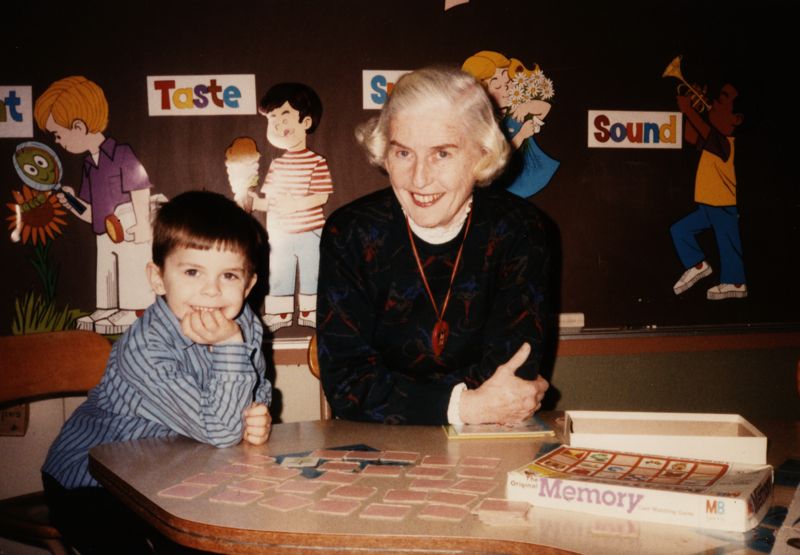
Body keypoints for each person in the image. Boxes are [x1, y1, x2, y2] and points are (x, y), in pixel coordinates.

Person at [317, 66, 550, 426]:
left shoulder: (520, 230)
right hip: (379, 440)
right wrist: (464, 407)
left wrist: (405, 398)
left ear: (482, 154)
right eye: (403, 154)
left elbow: (512, 373)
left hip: (486, 436)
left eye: (442, 154)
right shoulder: (350, 233)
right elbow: (348, 384)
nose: (419, 179)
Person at [41, 190, 272, 554]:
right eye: (193, 271)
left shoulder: (245, 324)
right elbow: (221, 429)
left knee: (222, 534)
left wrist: (258, 413)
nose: (211, 291)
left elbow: (257, 386)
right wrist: (230, 348)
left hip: (169, 472)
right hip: (91, 477)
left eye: (228, 275)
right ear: (159, 278)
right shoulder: (145, 347)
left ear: (248, 285)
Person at [34, 76, 161, 335]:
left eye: (58, 134)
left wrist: (142, 225)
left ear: (79, 127)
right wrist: (72, 204)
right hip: (104, 227)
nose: (57, 141)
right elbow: (90, 210)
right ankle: (106, 308)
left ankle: (132, 308)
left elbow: (139, 189)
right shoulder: (89, 165)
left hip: (128, 223)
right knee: (107, 267)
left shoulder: (121, 153)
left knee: (129, 265)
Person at [249, 83, 334, 332]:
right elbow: (272, 203)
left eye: (284, 116)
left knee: (311, 273)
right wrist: (255, 203)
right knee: (279, 274)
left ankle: (310, 312)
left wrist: (295, 204)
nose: (277, 125)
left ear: (306, 122)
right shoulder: (277, 165)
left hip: (310, 232)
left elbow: (321, 196)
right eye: (272, 118)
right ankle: (280, 314)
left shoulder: (316, 162)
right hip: (280, 234)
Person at [670, 82, 747, 299]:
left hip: (722, 203)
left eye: (723, 100)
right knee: (680, 230)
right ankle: (697, 264)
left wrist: (688, 109)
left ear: (736, 119)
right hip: (708, 203)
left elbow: (703, 130)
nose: (714, 102)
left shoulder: (724, 143)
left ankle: (735, 282)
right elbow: (691, 136)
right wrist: (690, 108)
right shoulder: (711, 139)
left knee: (728, 242)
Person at [462, 50, 559, 198]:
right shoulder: (480, 123)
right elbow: (497, 155)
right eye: (497, 86)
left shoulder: (516, 110)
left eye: (507, 83)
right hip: (504, 183)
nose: (506, 90)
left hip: (532, 173)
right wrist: (522, 134)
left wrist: (527, 106)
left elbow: (545, 108)